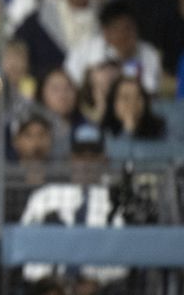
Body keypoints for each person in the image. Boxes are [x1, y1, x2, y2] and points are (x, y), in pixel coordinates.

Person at [19, 122, 127, 292]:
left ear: (105, 159)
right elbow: (24, 247)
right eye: (80, 154)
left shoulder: (116, 200)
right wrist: (48, 281)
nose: (86, 162)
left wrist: (98, 280)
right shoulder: (45, 195)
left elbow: (125, 255)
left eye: (93, 155)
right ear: (70, 158)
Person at [64, 0, 162, 95]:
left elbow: (151, 91)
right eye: (119, 29)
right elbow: (69, 87)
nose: (125, 35)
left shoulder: (149, 53)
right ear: (106, 32)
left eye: (129, 28)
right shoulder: (84, 50)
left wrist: (126, 59)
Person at [101, 75, 166, 140]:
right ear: (113, 102)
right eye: (125, 97)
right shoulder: (102, 132)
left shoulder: (160, 131)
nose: (132, 103)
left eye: (137, 97)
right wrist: (128, 131)